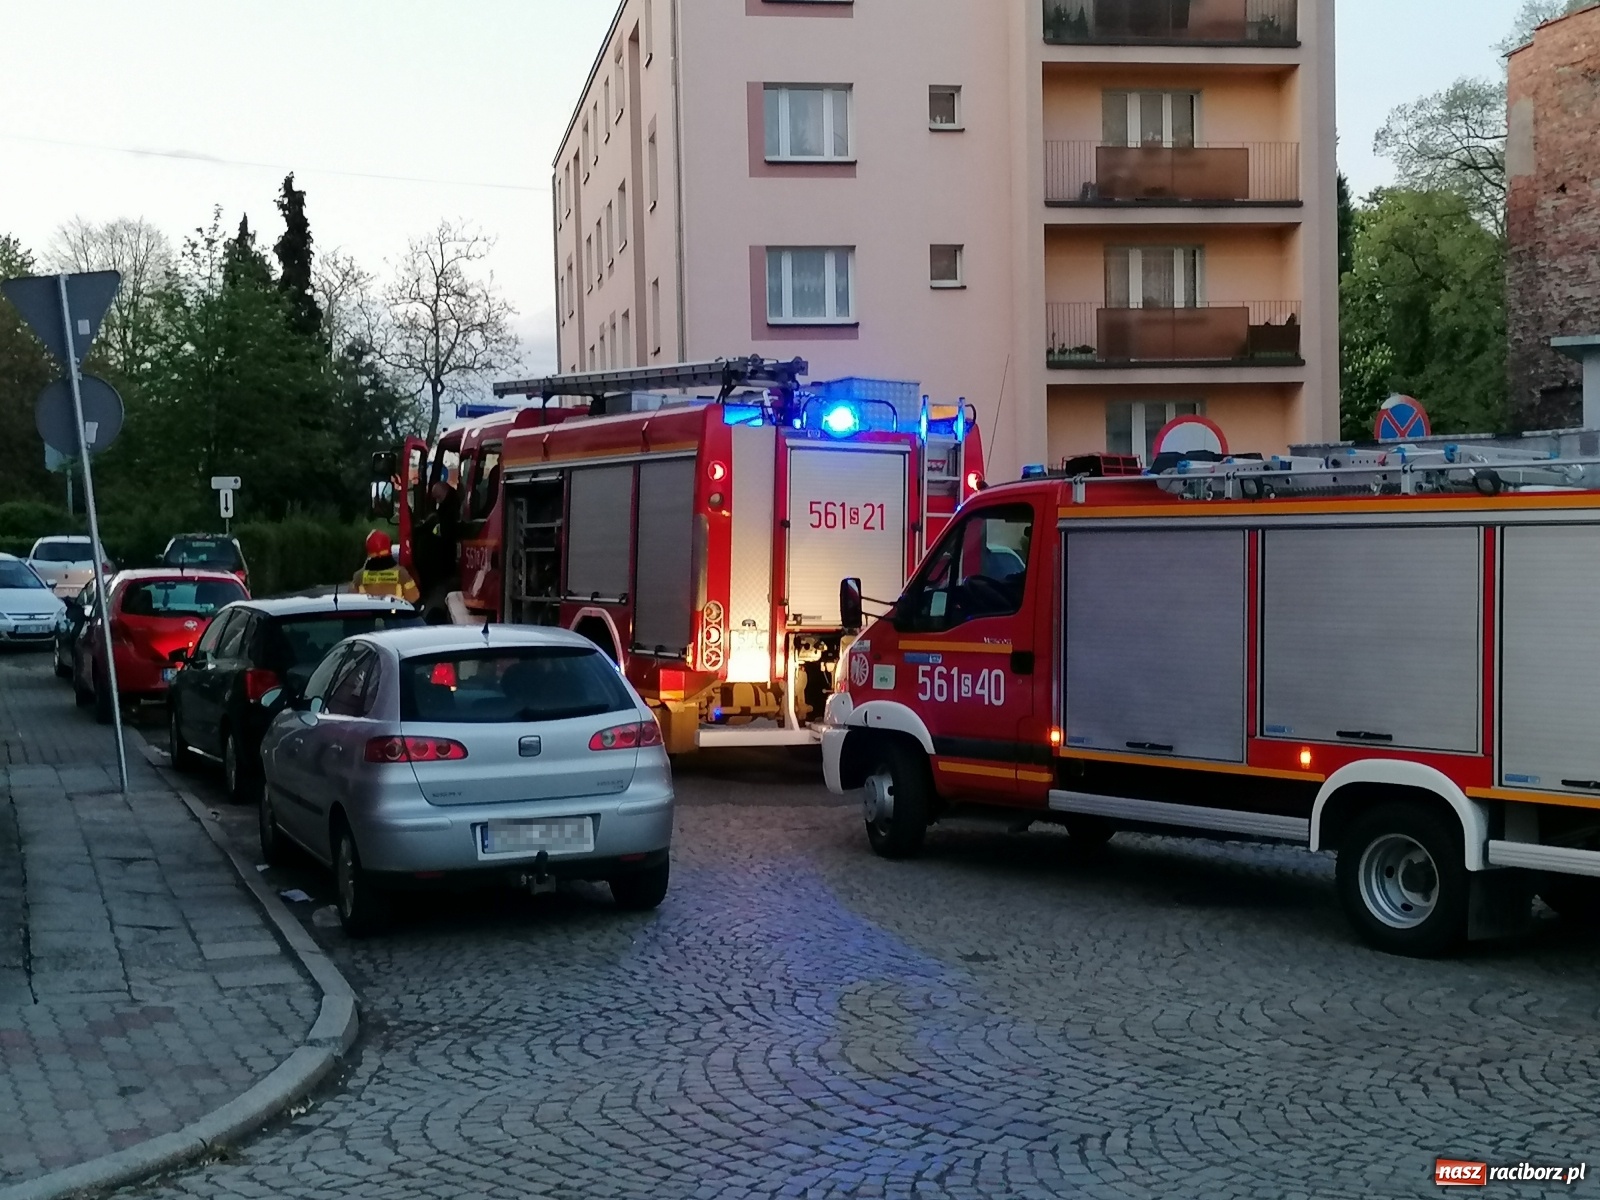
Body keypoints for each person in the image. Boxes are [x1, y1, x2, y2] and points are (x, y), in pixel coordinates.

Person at [352, 530, 420, 603]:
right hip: (394, 613)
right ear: (388, 547)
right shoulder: (401, 574)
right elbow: (414, 597)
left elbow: (351, 600)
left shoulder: (358, 577)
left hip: (369, 613)